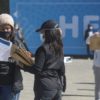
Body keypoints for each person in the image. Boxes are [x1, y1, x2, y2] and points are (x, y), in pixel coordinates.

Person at [22, 20, 66, 100]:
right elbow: (62, 70)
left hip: (44, 87)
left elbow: (37, 69)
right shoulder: (60, 48)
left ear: (48, 33)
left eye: (43, 33)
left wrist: (22, 65)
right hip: (57, 86)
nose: (42, 35)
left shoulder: (42, 49)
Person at [0, 13, 23, 100]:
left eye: (8, 28)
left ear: (12, 29)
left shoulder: (16, 42)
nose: (5, 30)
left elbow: (25, 60)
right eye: (2, 28)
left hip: (11, 84)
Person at [92, 32, 100, 100]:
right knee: (98, 86)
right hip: (97, 67)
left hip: (97, 65)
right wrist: (93, 35)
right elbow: (87, 41)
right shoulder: (96, 39)